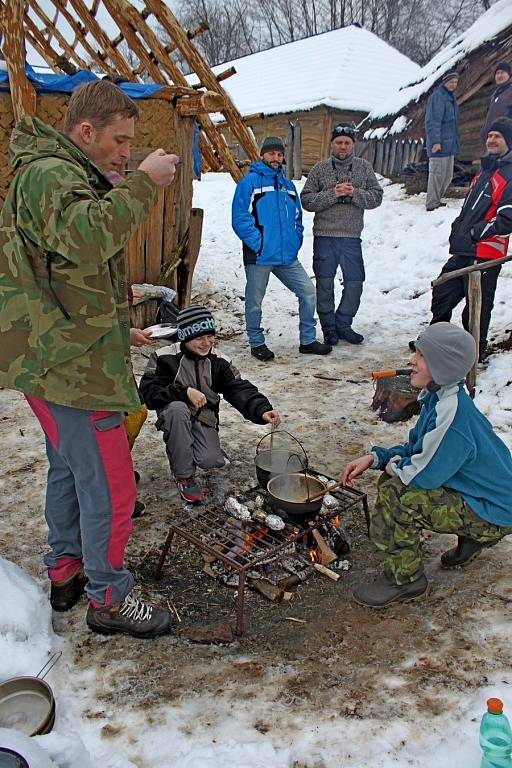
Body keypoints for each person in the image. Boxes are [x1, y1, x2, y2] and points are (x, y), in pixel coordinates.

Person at [0, 80, 180, 638]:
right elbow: (87, 238)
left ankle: (66, 570)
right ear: (86, 132)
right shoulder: (52, 174)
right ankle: (109, 597)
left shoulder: (58, 173)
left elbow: (60, 271)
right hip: (72, 370)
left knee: (69, 468)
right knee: (110, 482)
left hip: (56, 355)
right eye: (121, 140)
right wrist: (144, 185)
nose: (127, 151)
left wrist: (118, 330)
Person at [342, 323, 512, 609]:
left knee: (396, 493)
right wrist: (376, 458)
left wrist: (387, 468)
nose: (411, 360)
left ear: (441, 366)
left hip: (496, 512)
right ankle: (472, 538)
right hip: (487, 498)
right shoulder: (440, 397)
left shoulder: (452, 414)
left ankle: (405, 579)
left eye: (420, 356)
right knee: (397, 477)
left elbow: (420, 475)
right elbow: (416, 450)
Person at [140, 305, 281, 502]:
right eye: (199, 338)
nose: (206, 343)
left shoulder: (218, 360)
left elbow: (237, 387)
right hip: (175, 414)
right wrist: (183, 392)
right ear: (185, 336)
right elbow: (148, 393)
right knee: (177, 410)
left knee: (210, 460)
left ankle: (204, 445)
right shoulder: (164, 357)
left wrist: (262, 409)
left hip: (203, 415)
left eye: (210, 336)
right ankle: (185, 476)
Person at [232, 136, 331, 361]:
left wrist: (295, 241)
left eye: (279, 154)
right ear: (262, 155)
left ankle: (307, 340)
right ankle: (257, 343)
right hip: (260, 256)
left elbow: (298, 218)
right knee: (255, 301)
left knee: (308, 292)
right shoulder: (249, 183)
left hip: (287, 256)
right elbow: (240, 219)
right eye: (271, 154)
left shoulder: (288, 186)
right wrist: (260, 243)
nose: (275, 158)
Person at [430, 118, 512, 361]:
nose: (492, 140)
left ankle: (475, 351)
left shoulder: (509, 175)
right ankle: (436, 341)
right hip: (465, 248)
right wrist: (459, 229)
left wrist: (477, 232)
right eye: (489, 136)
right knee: (443, 291)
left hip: (486, 252)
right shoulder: (485, 171)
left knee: (477, 306)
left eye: (497, 136)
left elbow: (507, 219)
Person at [301, 124, 383, 346]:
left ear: (353, 145)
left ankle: (343, 324)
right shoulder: (319, 169)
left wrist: (355, 193)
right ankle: (329, 328)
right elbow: (306, 200)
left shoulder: (364, 168)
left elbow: (377, 197)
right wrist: (332, 194)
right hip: (325, 236)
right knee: (325, 284)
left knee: (355, 282)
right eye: (339, 142)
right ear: (332, 144)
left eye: (347, 142)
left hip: (351, 237)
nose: (343, 146)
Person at [425, 70, 460, 211]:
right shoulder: (438, 97)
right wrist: (435, 141)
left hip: (449, 145)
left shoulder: (450, 98)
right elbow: (433, 121)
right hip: (439, 145)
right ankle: (432, 203)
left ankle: (437, 200)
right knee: (437, 175)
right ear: (445, 82)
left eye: (456, 82)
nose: (453, 84)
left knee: (447, 176)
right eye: (451, 81)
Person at [480, 61, 512, 143]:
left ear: (509, 75)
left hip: (506, 140)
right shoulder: (496, 94)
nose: (499, 75)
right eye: (497, 73)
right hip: (493, 140)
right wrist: (484, 131)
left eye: (502, 72)